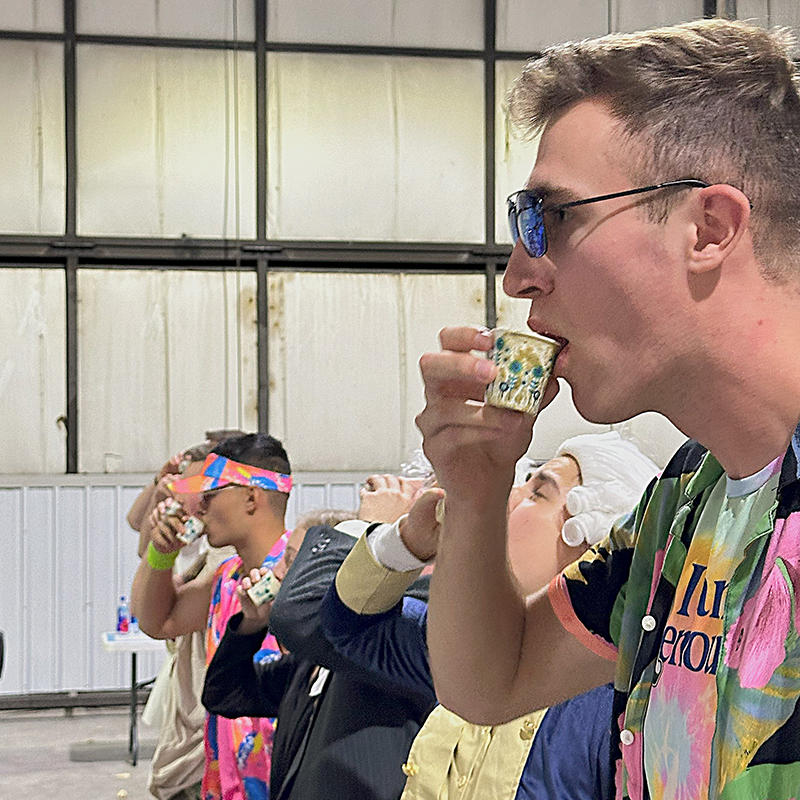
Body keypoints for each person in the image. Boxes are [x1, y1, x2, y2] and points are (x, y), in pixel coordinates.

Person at [415, 18, 800, 800]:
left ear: (710, 228)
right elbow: (490, 682)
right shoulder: (687, 500)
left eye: (551, 218)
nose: (519, 275)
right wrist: (479, 489)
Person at [318, 432, 658, 800]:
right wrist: (404, 544)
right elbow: (352, 627)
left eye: (537, 493)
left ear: (593, 538)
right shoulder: (473, 648)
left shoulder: (626, 702)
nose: (509, 496)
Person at [131, 433, 292, 800]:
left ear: (251, 497)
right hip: (225, 782)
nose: (199, 508)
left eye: (211, 494)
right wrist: (160, 552)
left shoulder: (298, 574)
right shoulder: (226, 579)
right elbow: (157, 622)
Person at [201, 509, 356, 800]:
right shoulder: (305, 665)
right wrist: (252, 624)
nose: (278, 572)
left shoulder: (362, 668)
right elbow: (223, 693)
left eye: (292, 559)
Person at [131, 440, 237, 800]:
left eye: (196, 489)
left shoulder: (229, 565)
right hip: (193, 726)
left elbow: (159, 617)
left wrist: (161, 555)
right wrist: (159, 549)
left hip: (213, 741)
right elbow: (151, 614)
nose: (192, 501)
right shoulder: (215, 557)